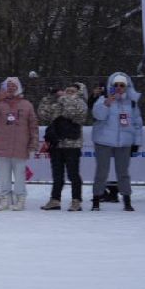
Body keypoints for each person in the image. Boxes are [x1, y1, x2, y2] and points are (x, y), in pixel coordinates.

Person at [91, 72, 143, 212]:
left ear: (127, 87)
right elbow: (97, 115)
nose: (119, 88)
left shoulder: (131, 103)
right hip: (104, 141)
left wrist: (136, 142)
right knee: (102, 171)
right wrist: (107, 104)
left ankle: (127, 200)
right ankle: (96, 200)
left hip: (124, 143)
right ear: (111, 86)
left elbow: (137, 123)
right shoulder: (103, 99)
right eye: (116, 85)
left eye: (122, 85)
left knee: (123, 172)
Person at [0, 76, 38, 211]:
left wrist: (33, 144)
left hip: (20, 146)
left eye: (13, 86)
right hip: (1, 145)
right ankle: (4, 198)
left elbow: (33, 126)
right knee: (3, 175)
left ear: (18, 88)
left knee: (20, 175)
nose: (10, 88)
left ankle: (20, 198)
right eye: (8, 86)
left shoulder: (26, 105)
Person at [38, 83, 88, 211]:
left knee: (73, 174)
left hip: (72, 144)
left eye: (72, 91)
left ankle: (76, 200)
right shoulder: (60, 102)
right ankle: (55, 200)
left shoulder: (81, 103)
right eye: (68, 90)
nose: (69, 92)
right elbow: (43, 114)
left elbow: (71, 113)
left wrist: (64, 98)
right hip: (57, 143)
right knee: (57, 174)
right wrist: (49, 97)